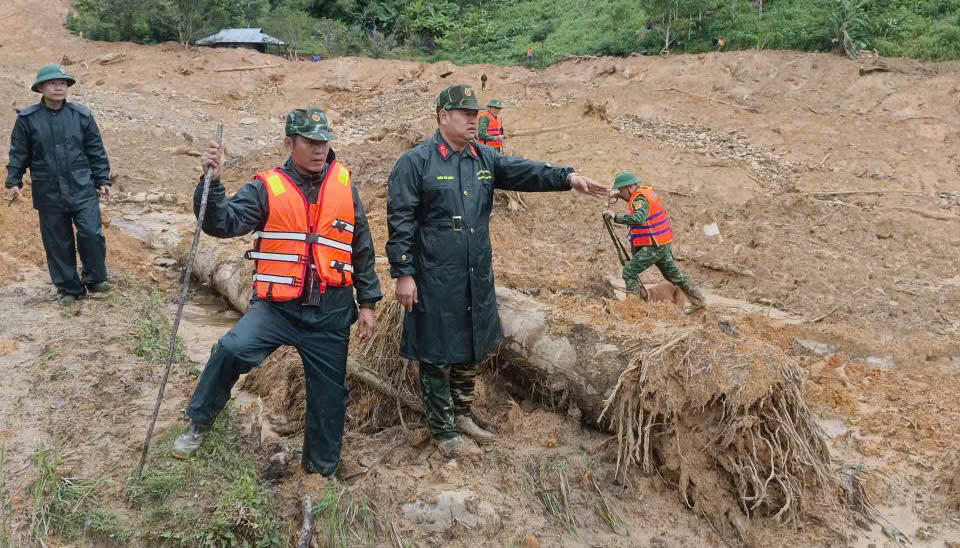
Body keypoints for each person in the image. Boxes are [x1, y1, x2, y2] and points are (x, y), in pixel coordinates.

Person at [386, 85, 608, 457]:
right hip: (434, 275)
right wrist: (404, 273)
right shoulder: (416, 162)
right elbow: (400, 221)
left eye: (476, 113)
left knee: (471, 343)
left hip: (474, 272)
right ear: (443, 117)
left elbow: (523, 171)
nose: (475, 119)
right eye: (465, 113)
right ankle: (443, 431)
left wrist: (568, 178)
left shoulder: (482, 158)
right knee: (437, 351)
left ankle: (462, 413)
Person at [170, 108, 382, 480]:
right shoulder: (268, 187)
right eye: (310, 142)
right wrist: (212, 183)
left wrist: (367, 302)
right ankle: (199, 423)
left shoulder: (345, 185)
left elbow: (360, 246)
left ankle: (320, 472)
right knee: (232, 349)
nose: (319, 150)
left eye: (324, 141)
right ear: (289, 143)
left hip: (330, 310)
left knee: (328, 395)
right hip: (277, 307)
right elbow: (223, 222)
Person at [5, 64, 112, 305]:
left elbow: (95, 150)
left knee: (91, 233)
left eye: (62, 83)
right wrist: (14, 181)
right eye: (52, 83)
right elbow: (19, 153)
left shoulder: (81, 115)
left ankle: (95, 279)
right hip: (48, 190)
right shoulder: (27, 119)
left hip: (82, 187)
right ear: (41, 88)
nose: (58, 87)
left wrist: (103, 179)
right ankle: (69, 289)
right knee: (57, 241)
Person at [602, 171, 705, 311]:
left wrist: (616, 217)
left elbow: (638, 218)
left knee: (629, 271)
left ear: (630, 187)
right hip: (661, 242)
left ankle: (633, 309)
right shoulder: (643, 193)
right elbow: (635, 204)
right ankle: (699, 301)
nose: (620, 192)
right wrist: (619, 195)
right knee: (674, 275)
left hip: (654, 244)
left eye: (621, 189)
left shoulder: (639, 200)